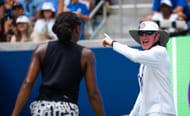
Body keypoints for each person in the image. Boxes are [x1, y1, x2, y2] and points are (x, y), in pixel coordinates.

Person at [12, 12, 105, 116]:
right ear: (77, 29)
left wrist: (14, 114)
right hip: (68, 110)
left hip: (41, 109)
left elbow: (28, 83)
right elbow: (93, 94)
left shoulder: (41, 50)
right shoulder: (86, 55)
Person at [102, 21, 176, 116]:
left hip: (161, 111)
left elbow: (135, 56)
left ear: (157, 36)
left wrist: (113, 43)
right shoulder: (146, 61)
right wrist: (132, 114)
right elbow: (143, 93)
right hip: (152, 112)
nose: (144, 37)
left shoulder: (160, 51)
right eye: (141, 33)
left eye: (148, 33)